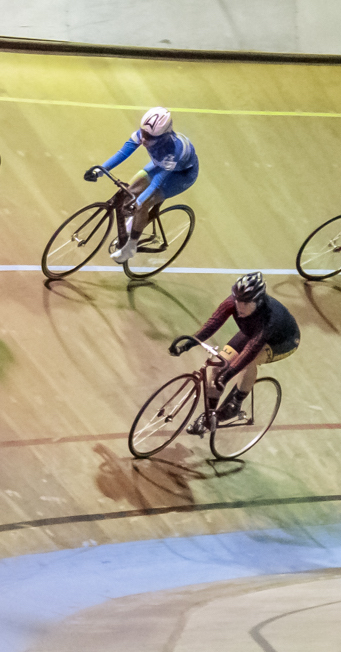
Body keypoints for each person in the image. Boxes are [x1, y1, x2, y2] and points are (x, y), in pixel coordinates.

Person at [168, 272, 300, 434]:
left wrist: (226, 376)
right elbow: (213, 324)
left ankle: (235, 404)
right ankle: (210, 416)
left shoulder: (271, 318)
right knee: (217, 367)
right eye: (238, 300)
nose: (240, 306)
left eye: (246, 303)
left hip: (282, 341)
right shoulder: (233, 302)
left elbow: (250, 351)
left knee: (248, 361)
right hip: (252, 332)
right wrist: (189, 344)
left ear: (258, 301)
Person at [85, 106, 198, 264]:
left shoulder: (173, 150)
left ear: (163, 137)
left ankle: (130, 247)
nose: (144, 140)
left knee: (144, 203)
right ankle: (134, 221)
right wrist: (101, 170)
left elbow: (157, 181)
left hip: (181, 176)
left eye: (149, 137)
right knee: (129, 191)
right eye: (143, 134)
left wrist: (140, 201)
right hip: (160, 165)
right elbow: (123, 152)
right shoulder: (146, 133)